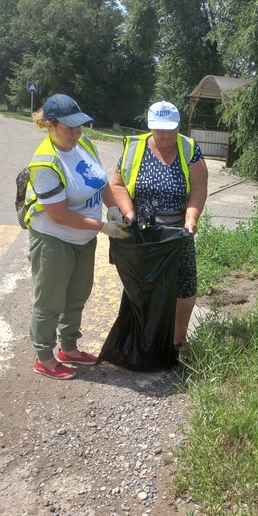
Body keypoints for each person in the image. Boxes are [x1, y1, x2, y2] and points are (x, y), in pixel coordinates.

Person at [26, 93, 127, 380]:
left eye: (79, 125)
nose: (77, 132)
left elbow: (100, 180)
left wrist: (113, 208)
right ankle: (44, 357)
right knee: (50, 301)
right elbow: (58, 215)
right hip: (54, 240)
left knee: (77, 296)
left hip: (83, 239)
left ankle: (68, 348)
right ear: (50, 124)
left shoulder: (84, 143)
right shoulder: (45, 163)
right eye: (70, 127)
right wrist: (101, 226)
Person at [110, 100, 208, 349]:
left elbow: (199, 188)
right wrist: (128, 212)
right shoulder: (135, 148)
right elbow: (118, 184)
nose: (165, 134)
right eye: (159, 128)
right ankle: (145, 341)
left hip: (178, 234)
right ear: (150, 126)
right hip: (144, 234)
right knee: (143, 288)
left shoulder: (189, 149)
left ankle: (177, 341)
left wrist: (191, 219)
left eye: (170, 128)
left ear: (178, 125)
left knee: (184, 290)